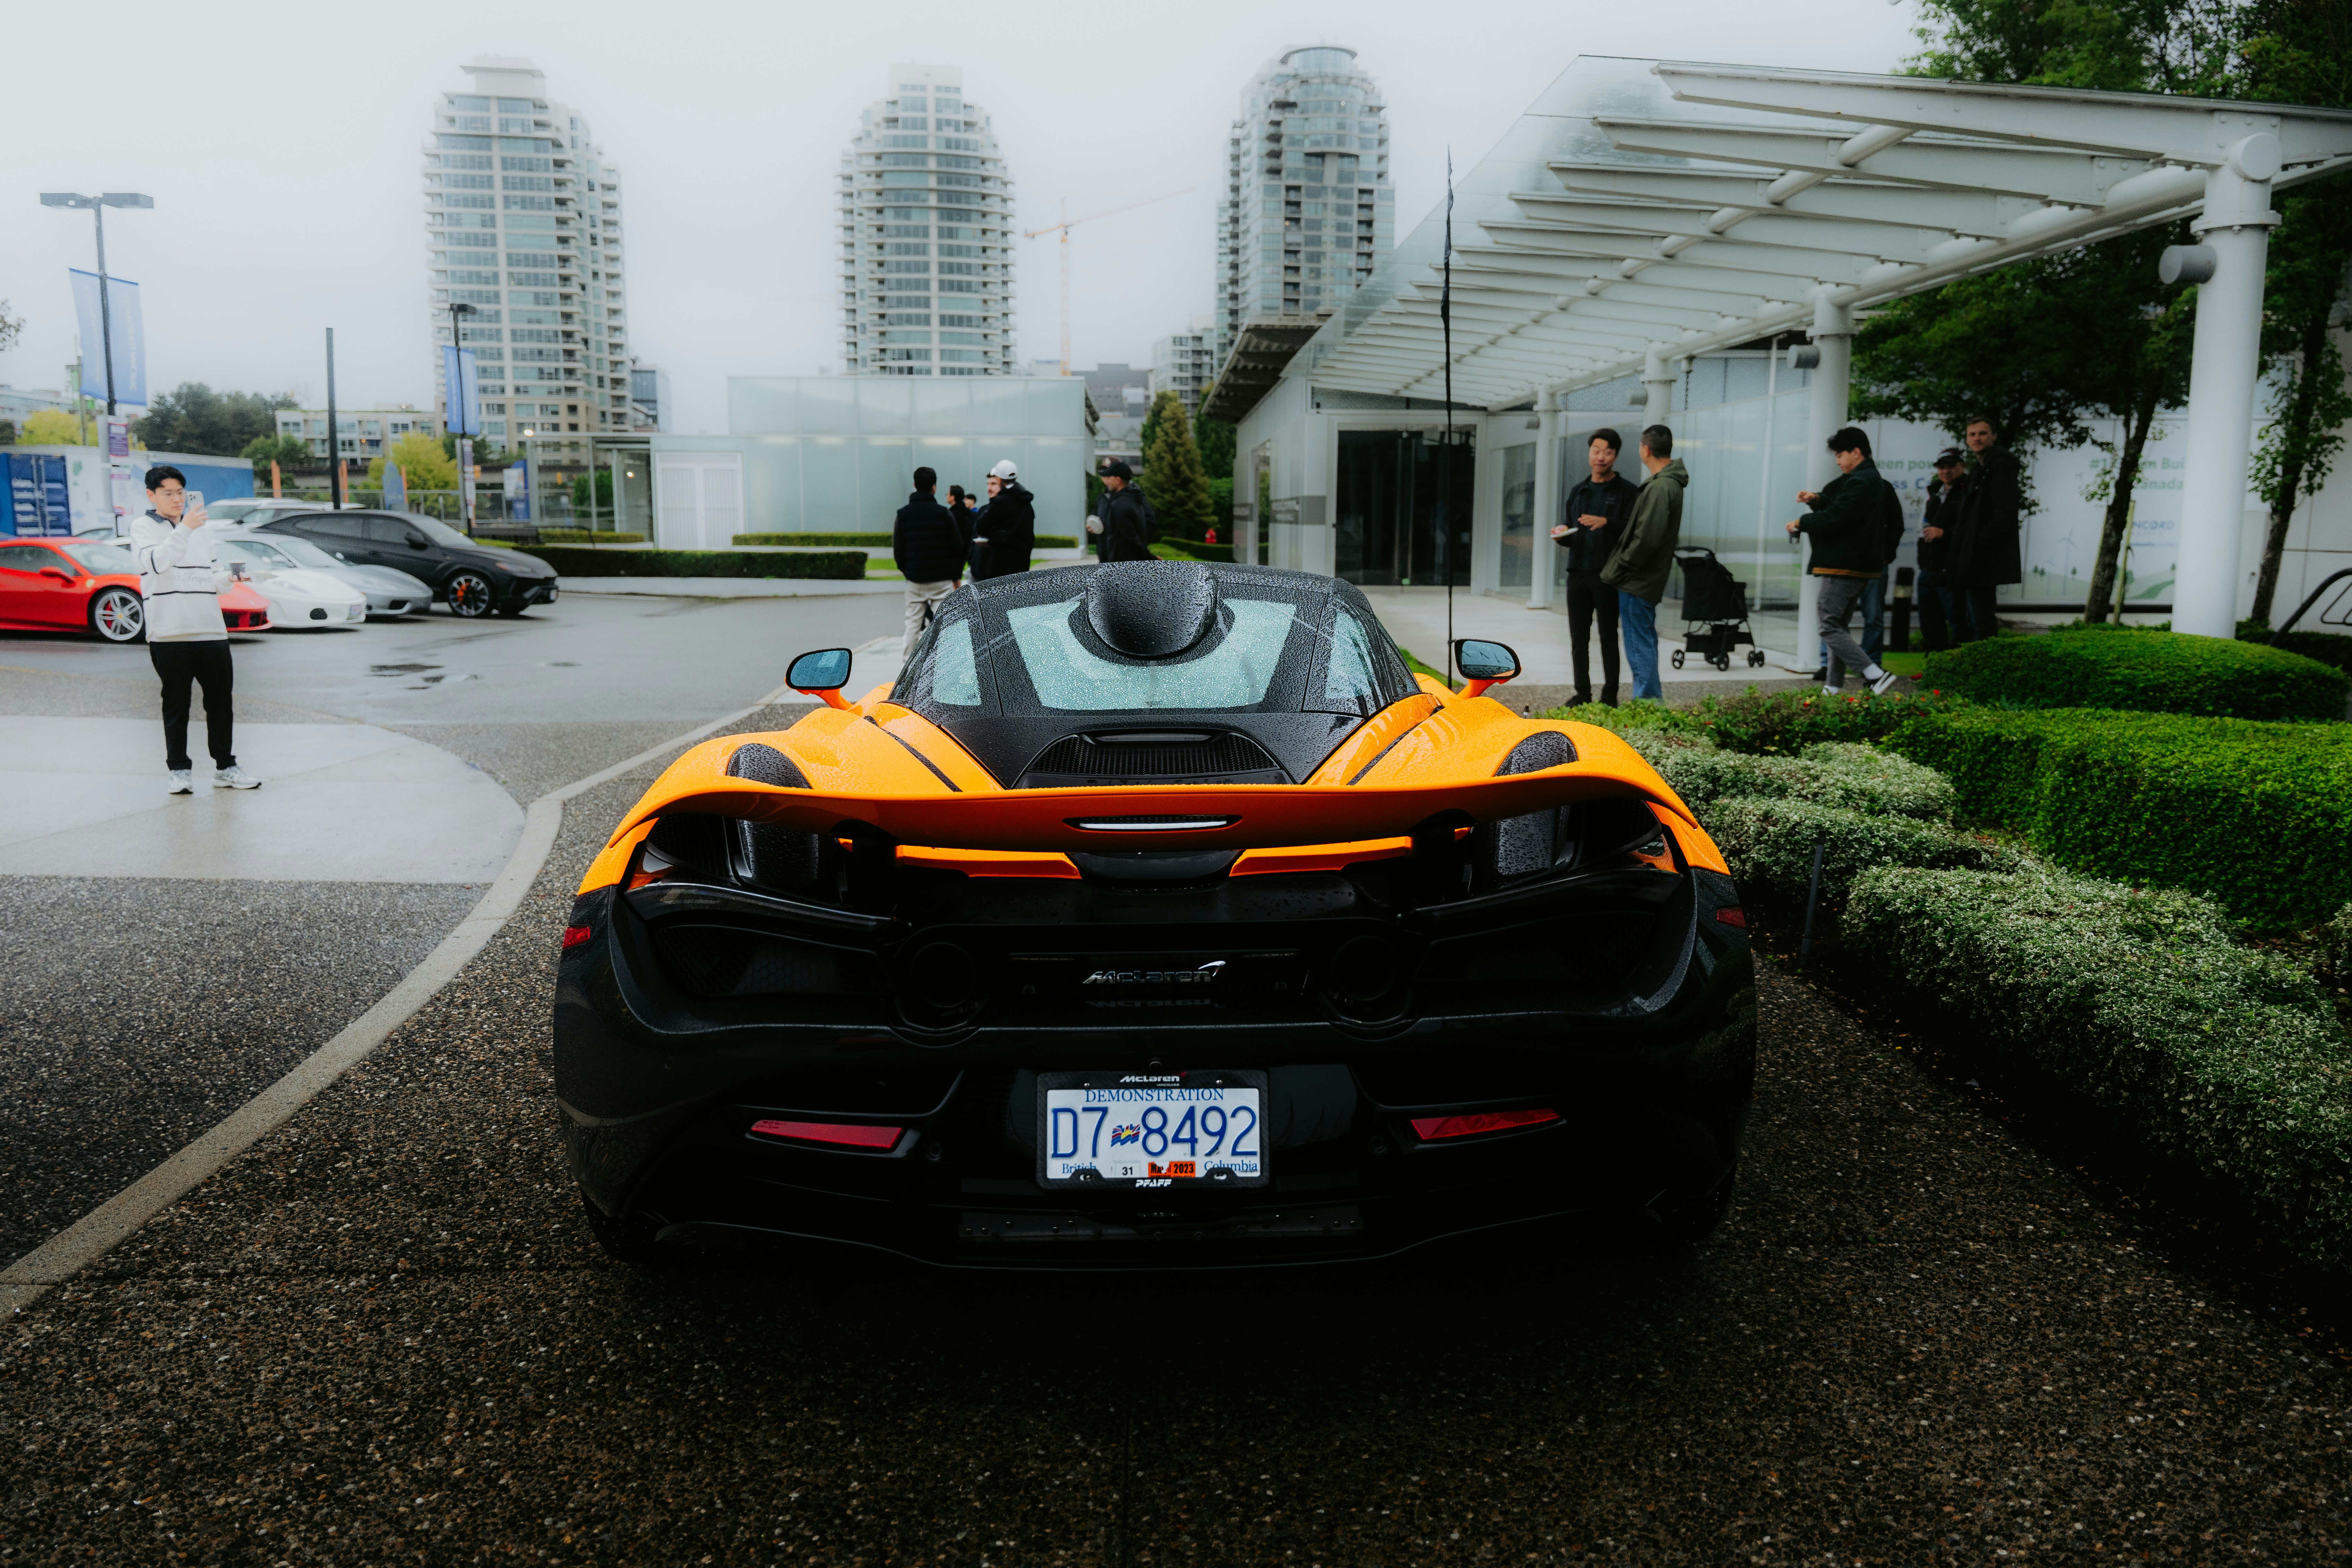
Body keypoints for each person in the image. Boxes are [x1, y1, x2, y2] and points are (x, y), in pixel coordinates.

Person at [131, 465, 263, 794]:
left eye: (181, 493)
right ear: (151, 495)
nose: (177, 500)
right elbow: (158, 563)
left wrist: (230, 579)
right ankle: (179, 771)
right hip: (170, 633)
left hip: (211, 631)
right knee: (176, 705)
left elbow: (212, 579)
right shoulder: (143, 527)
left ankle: (226, 767)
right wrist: (185, 529)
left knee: (221, 704)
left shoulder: (200, 531)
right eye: (168, 493)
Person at [1787, 427, 1902, 697]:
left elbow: (1838, 517)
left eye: (1840, 455)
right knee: (1837, 626)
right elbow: (1841, 507)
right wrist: (1816, 499)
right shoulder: (1866, 479)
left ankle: (1875, 674)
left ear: (1856, 452)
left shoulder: (1863, 481)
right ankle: (1833, 686)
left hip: (1845, 565)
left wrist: (1801, 523)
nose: (1838, 461)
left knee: (1827, 625)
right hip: (1855, 565)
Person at [1548, 427, 1640, 706]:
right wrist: (1560, 534)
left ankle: (1610, 695)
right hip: (1578, 574)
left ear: (1616, 456)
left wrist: (1607, 522)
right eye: (1596, 451)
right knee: (1579, 638)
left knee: (1608, 636)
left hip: (1608, 576)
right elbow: (1571, 531)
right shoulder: (1579, 491)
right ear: (1589, 454)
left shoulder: (1627, 492)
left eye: (1608, 452)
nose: (1601, 457)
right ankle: (1582, 694)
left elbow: (1635, 532)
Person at [1599, 425, 1686, 704]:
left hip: (1637, 580)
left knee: (1639, 644)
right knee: (1642, 641)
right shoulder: (1666, 483)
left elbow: (1646, 539)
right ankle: (1648, 702)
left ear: (1646, 450)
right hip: (1641, 579)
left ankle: (1648, 703)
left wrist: (1622, 565)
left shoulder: (1661, 487)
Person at [1949, 415, 2021, 643]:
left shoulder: (1999, 465)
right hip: (1975, 554)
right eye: (1972, 434)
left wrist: (1979, 541)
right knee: (1973, 620)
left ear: (1994, 437)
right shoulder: (1982, 467)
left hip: (1983, 555)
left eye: (1982, 434)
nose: (1977, 439)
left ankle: (1985, 670)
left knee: (1981, 622)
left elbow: (2005, 511)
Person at [892, 466, 965, 658]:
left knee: (912, 628)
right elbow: (957, 547)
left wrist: (909, 572)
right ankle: (946, 665)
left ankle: (907, 675)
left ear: (915, 485)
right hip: (942, 581)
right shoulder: (944, 514)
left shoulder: (903, 514)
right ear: (934, 487)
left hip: (915, 581)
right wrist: (954, 575)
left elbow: (898, 551)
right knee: (946, 626)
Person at [1915, 447, 1968, 650]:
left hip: (1953, 570)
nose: (1946, 471)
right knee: (1930, 623)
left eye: (1951, 467)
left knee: (1959, 623)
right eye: (1942, 467)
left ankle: (1957, 672)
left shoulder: (1968, 491)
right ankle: (1933, 669)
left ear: (1962, 466)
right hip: (1929, 569)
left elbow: (1971, 529)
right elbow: (1923, 528)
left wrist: (1944, 533)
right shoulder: (1934, 492)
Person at [969, 459, 1036, 580]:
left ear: (999, 479)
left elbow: (982, 528)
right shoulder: (1026, 503)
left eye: (994, 483)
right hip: (1022, 568)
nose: (990, 488)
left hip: (1001, 568)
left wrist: (994, 538)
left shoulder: (1001, 503)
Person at [1088, 459, 1156, 563]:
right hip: (1109, 561)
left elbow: (1132, 538)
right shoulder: (1104, 499)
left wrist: (1148, 556)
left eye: (1108, 476)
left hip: (1123, 564)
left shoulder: (1122, 503)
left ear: (1118, 480)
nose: (1105, 480)